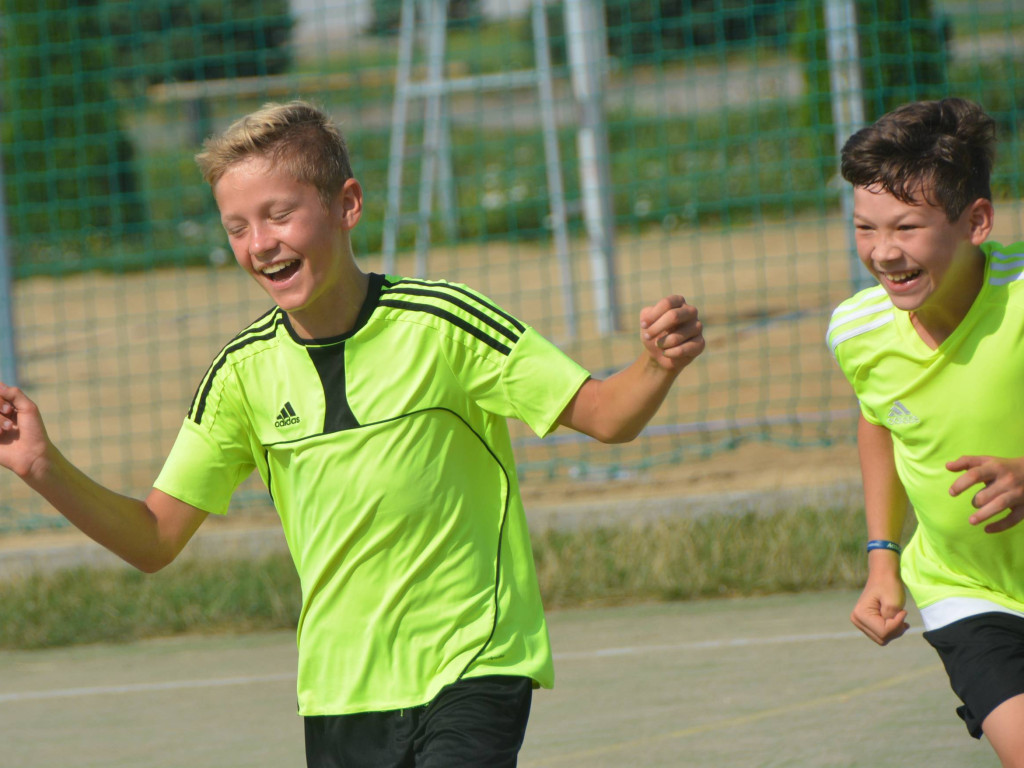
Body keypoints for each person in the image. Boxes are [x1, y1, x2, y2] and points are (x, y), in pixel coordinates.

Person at [0, 100, 705, 767]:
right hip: (341, 694)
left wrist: (655, 361)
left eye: (278, 215)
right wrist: (42, 467)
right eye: (237, 226)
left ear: (347, 205)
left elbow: (608, 416)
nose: (260, 244)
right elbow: (153, 539)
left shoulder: (445, 325)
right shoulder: (241, 377)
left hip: (473, 661)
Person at [826, 97, 1024, 767]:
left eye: (907, 227)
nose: (884, 253)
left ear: (976, 221)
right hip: (967, 589)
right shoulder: (856, 332)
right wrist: (884, 558)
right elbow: (880, 421)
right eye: (865, 228)